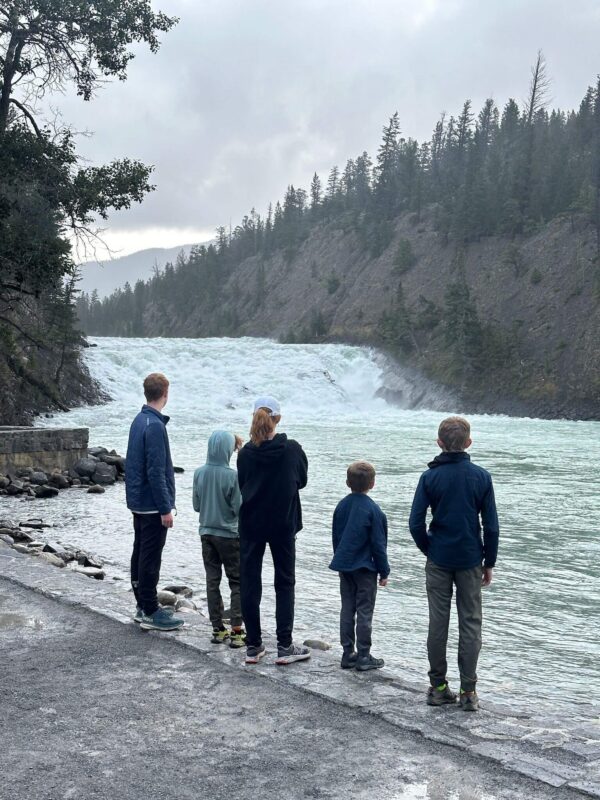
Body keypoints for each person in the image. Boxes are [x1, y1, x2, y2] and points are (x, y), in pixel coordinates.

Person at [409, 416, 499, 711]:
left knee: (439, 622)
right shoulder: (481, 477)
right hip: (471, 558)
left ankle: (438, 687)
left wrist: (430, 550)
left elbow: (415, 524)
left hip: (439, 557)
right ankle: (469, 692)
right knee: (471, 624)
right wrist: (489, 561)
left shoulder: (429, 478)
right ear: (469, 443)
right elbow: (492, 526)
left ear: (439, 444)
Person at [237, 396, 310, 666]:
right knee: (284, 582)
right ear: (277, 419)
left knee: (250, 581)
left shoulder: (245, 453)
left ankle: (253, 645)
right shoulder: (291, 449)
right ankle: (284, 644)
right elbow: (301, 480)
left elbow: (243, 483)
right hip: (283, 523)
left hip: (251, 523)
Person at [125, 372, 183, 632]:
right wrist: (165, 508)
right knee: (150, 557)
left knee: (139, 552)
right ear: (165, 394)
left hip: (137, 500)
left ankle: (141, 604)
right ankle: (150, 609)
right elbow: (156, 471)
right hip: (151, 503)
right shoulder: (156, 426)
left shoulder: (139, 420)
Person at [330, 461, 390, 671]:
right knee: (365, 610)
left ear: (348, 482)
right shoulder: (374, 510)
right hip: (365, 569)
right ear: (372, 484)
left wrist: (339, 556)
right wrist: (384, 571)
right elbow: (378, 544)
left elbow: (336, 536)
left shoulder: (341, 506)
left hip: (344, 566)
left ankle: (348, 653)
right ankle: (364, 655)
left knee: (347, 608)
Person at [193, 430, 246, 648]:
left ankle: (217, 629)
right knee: (237, 582)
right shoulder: (232, 476)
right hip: (229, 535)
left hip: (206, 533)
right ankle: (237, 631)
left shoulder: (199, 473)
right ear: (227, 450)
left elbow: (197, 506)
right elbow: (237, 509)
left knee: (212, 580)